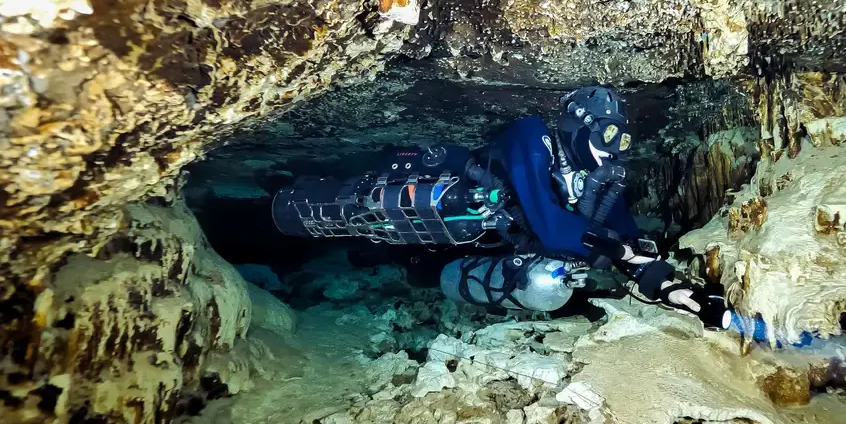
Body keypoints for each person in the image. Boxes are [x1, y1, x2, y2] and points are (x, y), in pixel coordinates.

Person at [272, 86, 726, 326]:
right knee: (398, 251)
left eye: (623, 141)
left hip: (483, 248)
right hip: (447, 221)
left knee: (426, 273)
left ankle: (376, 254)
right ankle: (326, 228)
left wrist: (669, 286)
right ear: (576, 127)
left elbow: (624, 237)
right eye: (607, 136)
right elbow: (553, 230)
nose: (615, 151)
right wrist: (618, 251)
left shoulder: (596, 180)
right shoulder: (531, 138)